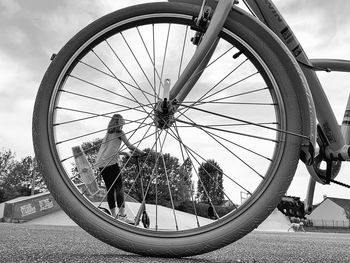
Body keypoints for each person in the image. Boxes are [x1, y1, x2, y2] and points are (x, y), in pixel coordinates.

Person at [96, 114, 144, 223]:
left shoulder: (108, 133)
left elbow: (110, 150)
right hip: (111, 163)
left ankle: (114, 216)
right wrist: (142, 152)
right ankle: (123, 216)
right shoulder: (120, 133)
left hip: (101, 163)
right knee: (119, 188)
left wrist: (124, 153)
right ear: (120, 122)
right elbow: (130, 146)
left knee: (110, 189)